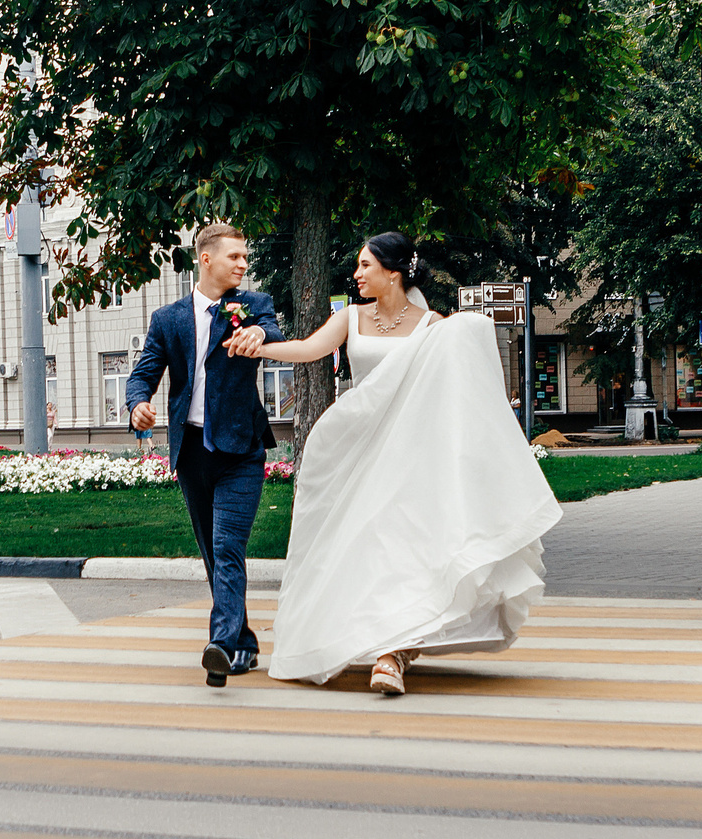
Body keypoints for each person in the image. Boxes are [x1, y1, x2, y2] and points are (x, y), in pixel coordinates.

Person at [231, 232, 563, 696]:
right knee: (362, 548)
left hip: (410, 456)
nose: (357, 274)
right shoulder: (350, 317)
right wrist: (261, 349)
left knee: (403, 550)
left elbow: (456, 386)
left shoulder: (432, 325)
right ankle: (368, 642)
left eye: (366, 265)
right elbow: (309, 349)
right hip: (359, 449)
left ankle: (394, 653)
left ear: (393, 272)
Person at [126, 223, 285, 685]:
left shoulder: (253, 304)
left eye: (245, 256)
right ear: (206, 259)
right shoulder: (169, 319)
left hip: (241, 449)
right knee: (213, 553)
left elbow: (272, 331)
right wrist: (137, 405)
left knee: (227, 546)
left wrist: (258, 334)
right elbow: (143, 374)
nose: (243, 264)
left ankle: (221, 645)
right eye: (234, 256)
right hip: (192, 451)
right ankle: (244, 643)